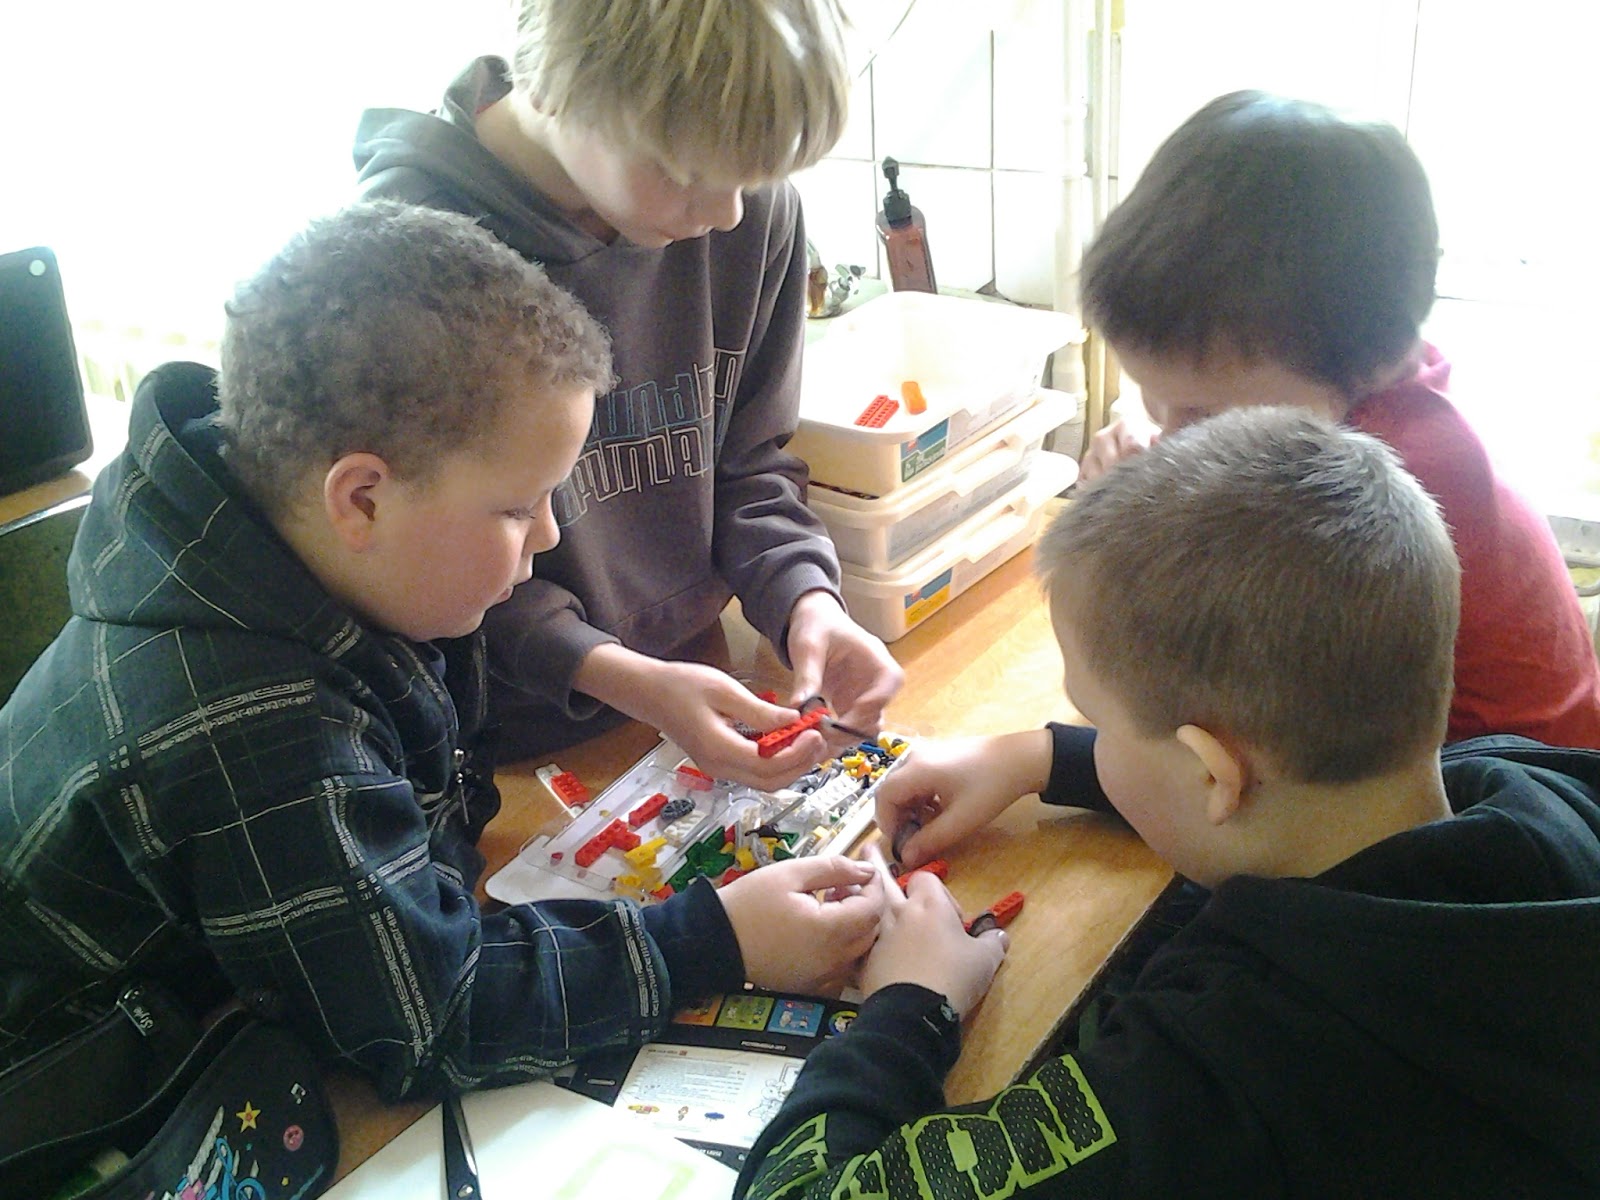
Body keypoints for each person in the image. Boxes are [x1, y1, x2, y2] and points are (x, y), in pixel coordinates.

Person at [0, 201, 885, 1100]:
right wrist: (713, 941)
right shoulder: (251, 723)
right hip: (93, 1099)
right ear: (362, 500)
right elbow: (430, 1020)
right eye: (518, 507)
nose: (549, 535)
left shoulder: (305, 562)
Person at [736, 406, 1600, 1198]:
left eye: (1097, 722)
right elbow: (1278, 787)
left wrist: (909, 1008)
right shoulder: (1526, 788)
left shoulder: (1214, 1077)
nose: (1090, 737)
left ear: (1212, 774)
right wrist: (1046, 758)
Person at [353, 0, 904, 789]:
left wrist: (806, 600)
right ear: (560, 88)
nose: (727, 212)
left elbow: (750, 461)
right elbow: (416, 554)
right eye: (689, 174)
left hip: (697, 678)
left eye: (756, 175)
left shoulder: (749, 213)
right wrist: (617, 675)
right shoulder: (401, 254)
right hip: (504, 738)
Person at [1074, 89, 1600, 750]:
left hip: (1495, 791)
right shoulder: (1350, 385)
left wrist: (1111, 530)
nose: (1174, 437)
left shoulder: (1384, 482)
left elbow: (1199, 696)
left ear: (1371, 361)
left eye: (1205, 415)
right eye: (1152, 396)